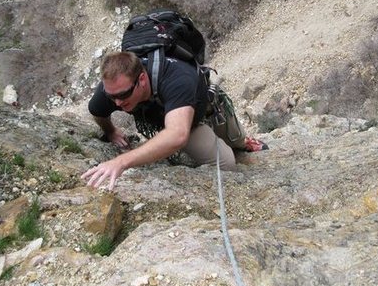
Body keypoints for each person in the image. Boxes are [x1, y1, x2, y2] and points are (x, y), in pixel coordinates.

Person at [81, 51, 267, 190]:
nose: (118, 102)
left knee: (232, 143)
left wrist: (120, 162)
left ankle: (242, 141)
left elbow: (177, 135)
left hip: (198, 107)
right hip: (169, 118)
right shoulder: (114, 88)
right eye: (111, 96)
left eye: (123, 95)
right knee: (226, 164)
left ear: (142, 79)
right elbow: (97, 111)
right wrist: (111, 131)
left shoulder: (177, 79)